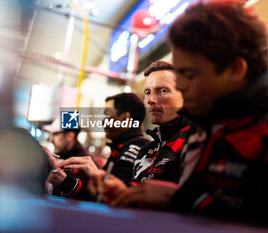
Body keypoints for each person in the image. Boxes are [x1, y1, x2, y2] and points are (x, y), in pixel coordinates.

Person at [95, 0, 268, 224]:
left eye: (189, 74)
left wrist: (181, 199)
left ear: (235, 70)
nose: (182, 86)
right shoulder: (204, 129)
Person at [88, 61, 198, 204]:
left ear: (185, 97)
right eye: (147, 92)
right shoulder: (147, 149)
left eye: (163, 91)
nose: (151, 100)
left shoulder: (196, 143)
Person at [48, 93, 149, 200]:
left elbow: (109, 199)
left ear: (125, 118)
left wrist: (65, 181)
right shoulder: (122, 147)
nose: (102, 122)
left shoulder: (134, 147)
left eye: (107, 114)